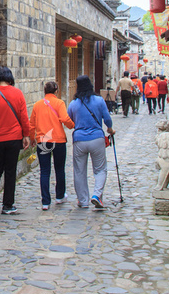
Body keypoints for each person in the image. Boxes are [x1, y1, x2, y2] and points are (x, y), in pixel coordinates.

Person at [0, 66, 31, 216]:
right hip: (14, 138)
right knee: (10, 171)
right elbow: (24, 117)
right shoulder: (18, 93)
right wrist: (26, 135)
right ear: (9, 78)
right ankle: (8, 205)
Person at [68, 75, 114, 209]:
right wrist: (110, 129)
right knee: (100, 169)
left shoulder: (73, 103)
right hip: (96, 138)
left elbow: (70, 119)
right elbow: (107, 118)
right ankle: (96, 195)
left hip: (79, 140)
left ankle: (82, 200)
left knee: (79, 171)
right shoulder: (99, 101)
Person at [29, 80, 74, 210]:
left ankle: (45, 201)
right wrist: (72, 125)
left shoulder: (37, 105)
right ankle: (59, 196)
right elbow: (65, 119)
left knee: (45, 171)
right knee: (59, 169)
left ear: (45, 91)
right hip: (58, 140)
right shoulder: (59, 103)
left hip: (43, 140)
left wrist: (32, 139)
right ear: (56, 91)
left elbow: (32, 124)